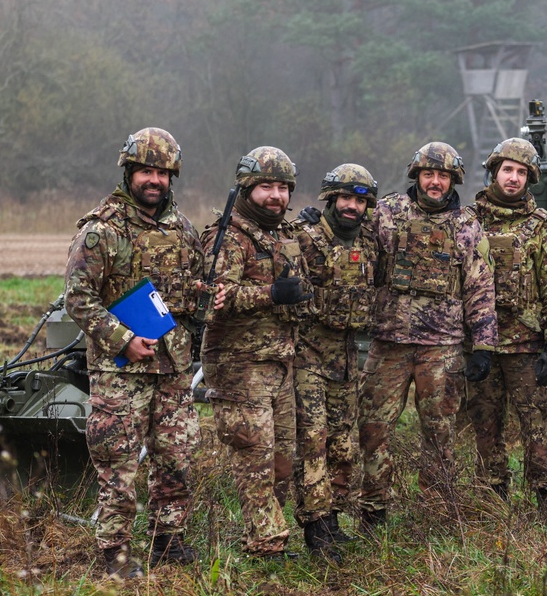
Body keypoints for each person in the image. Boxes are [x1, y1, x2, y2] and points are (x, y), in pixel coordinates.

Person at [65, 127, 223, 578]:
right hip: (121, 371)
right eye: (146, 171)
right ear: (130, 173)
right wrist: (122, 340)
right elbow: (78, 298)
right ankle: (113, 552)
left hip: (172, 368)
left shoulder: (183, 229)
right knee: (117, 461)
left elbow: (190, 296)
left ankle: (167, 540)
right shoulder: (102, 230)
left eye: (162, 173)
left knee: (177, 455)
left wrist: (203, 298)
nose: (154, 180)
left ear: (172, 178)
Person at [357, 141, 497, 532]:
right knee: (372, 426)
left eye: (443, 176)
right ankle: (373, 509)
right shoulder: (386, 213)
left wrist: (483, 344)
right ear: (416, 175)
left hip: (442, 347)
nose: (435, 182)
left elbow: (481, 288)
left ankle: (435, 511)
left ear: (453, 180)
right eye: (428, 174)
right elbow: (352, 244)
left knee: (439, 431)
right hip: (389, 343)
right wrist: (325, 221)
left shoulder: (466, 226)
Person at [200, 146, 313, 561]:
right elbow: (213, 297)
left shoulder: (283, 235)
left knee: (283, 461)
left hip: (280, 362)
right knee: (255, 460)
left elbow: (297, 290)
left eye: (283, 187)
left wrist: (300, 295)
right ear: (247, 188)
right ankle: (267, 548)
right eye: (267, 186)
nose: (276, 195)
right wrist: (270, 294)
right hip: (239, 365)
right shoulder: (227, 236)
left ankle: (270, 536)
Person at [466, 138, 547, 510]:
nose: (513, 178)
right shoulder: (467, 222)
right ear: (494, 171)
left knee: (538, 429)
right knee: (485, 427)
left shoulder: (543, 226)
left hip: (528, 349)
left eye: (521, 172)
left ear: (531, 178)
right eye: (507, 170)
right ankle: (492, 501)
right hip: (481, 349)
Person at [289, 164, 379, 563]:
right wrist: (298, 219)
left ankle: (335, 519)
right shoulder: (304, 237)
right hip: (308, 352)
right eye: (345, 198)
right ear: (330, 199)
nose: (351, 207)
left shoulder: (371, 241)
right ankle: (316, 527)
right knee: (314, 441)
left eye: (360, 201)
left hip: (346, 355)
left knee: (344, 442)